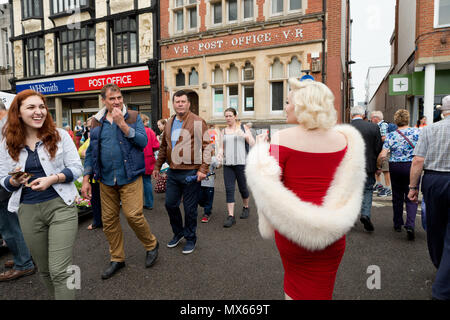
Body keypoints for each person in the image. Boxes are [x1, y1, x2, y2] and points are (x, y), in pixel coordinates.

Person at [246, 78, 365, 300]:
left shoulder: (281, 138)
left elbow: (269, 185)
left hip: (294, 233)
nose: (285, 107)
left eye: (289, 101)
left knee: (294, 290)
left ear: (302, 105)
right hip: (332, 233)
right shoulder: (345, 140)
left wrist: (259, 149)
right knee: (323, 292)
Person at [0, 90, 82, 299]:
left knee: (60, 270)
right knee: (45, 270)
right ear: (18, 113)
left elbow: (76, 168)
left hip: (60, 206)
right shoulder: (7, 142)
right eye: (31, 107)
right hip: (27, 211)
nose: (39, 112)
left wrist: (52, 178)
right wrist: (13, 180)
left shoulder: (59, 135)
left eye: (42, 107)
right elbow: (3, 179)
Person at [81, 83, 159, 279]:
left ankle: (151, 244)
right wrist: (85, 179)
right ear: (104, 101)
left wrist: (122, 125)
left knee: (133, 215)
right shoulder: (96, 122)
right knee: (109, 221)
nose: (116, 102)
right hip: (106, 180)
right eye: (112, 99)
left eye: (119, 98)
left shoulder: (132, 117)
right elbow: (90, 152)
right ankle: (117, 258)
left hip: (130, 177)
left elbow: (143, 142)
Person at [153, 90, 210, 255]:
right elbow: (164, 147)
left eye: (183, 101)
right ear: (173, 104)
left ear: (188, 104)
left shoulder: (198, 122)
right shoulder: (169, 122)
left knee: (190, 209)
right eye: (177, 102)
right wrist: (157, 167)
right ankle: (178, 233)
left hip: (191, 172)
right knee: (170, 204)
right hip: (173, 171)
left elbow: (207, 147)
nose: (180, 104)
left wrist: (203, 169)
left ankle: (190, 238)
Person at [408, 95, 450, 300]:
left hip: (434, 179)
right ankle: (444, 281)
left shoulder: (430, 129)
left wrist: (413, 187)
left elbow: (418, 160)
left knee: (435, 226)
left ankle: (440, 267)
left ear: (443, 111)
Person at [0, 100, 36, 282]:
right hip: (10, 180)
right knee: (14, 224)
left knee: (9, 226)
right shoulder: (9, 124)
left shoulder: (7, 127)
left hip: (7, 182)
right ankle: (24, 256)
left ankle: (24, 263)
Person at [377, 109, 420, 240]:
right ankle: (410, 224)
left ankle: (397, 223)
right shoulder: (417, 132)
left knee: (397, 196)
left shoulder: (391, 135)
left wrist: (379, 164)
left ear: (396, 121)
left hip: (395, 166)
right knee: (412, 194)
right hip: (412, 166)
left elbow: (383, 154)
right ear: (408, 119)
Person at [217, 108, 255, 228]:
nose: (228, 118)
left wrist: (244, 135)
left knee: (243, 188)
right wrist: (219, 153)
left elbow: (253, 143)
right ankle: (231, 216)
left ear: (235, 116)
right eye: (226, 116)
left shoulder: (244, 128)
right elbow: (221, 147)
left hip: (241, 163)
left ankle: (246, 207)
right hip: (228, 164)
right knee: (229, 189)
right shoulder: (223, 131)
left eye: (230, 116)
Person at [350, 106, 383, 232]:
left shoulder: (345, 128)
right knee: (368, 190)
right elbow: (378, 148)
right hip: (368, 165)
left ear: (351, 115)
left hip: (350, 166)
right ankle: (365, 214)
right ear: (363, 115)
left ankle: (351, 218)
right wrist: (377, 166)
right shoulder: (373, 127)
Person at [78, 117, 102, 231]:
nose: (90, 129)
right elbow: (81, 152)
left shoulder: (100, 138)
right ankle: (97, 221)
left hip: (102, 176)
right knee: (95, 200)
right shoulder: (89, 139)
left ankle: (106, 222)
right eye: (88, 127)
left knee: (105, 202)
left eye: (91, 126)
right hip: (93, 177)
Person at [370, 111, 392, 197]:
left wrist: (374, 140)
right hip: (379, 150)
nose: (371, 120)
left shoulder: (383, 125)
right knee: (377, 168)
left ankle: (388, 188)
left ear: (376, 118)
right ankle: (379, 184)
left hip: (385, 151)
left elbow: (384, 137)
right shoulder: (378, 126)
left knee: (385, 170)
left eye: (372, 118)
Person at [141, 114, 160, 210]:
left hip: (136, 160)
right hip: (147, 159)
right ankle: (149, 203)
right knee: (146, 181)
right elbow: (156, 146)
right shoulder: (150, 131)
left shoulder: (135, 131)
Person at [199, 154, 219, 223]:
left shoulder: (213, 158)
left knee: (208, 198)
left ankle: (207, 213)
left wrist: (220, 160)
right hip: (199, 182)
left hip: (209, 183)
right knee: (199, 198)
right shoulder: (198, 157)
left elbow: (218, 166)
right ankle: (207, 206)